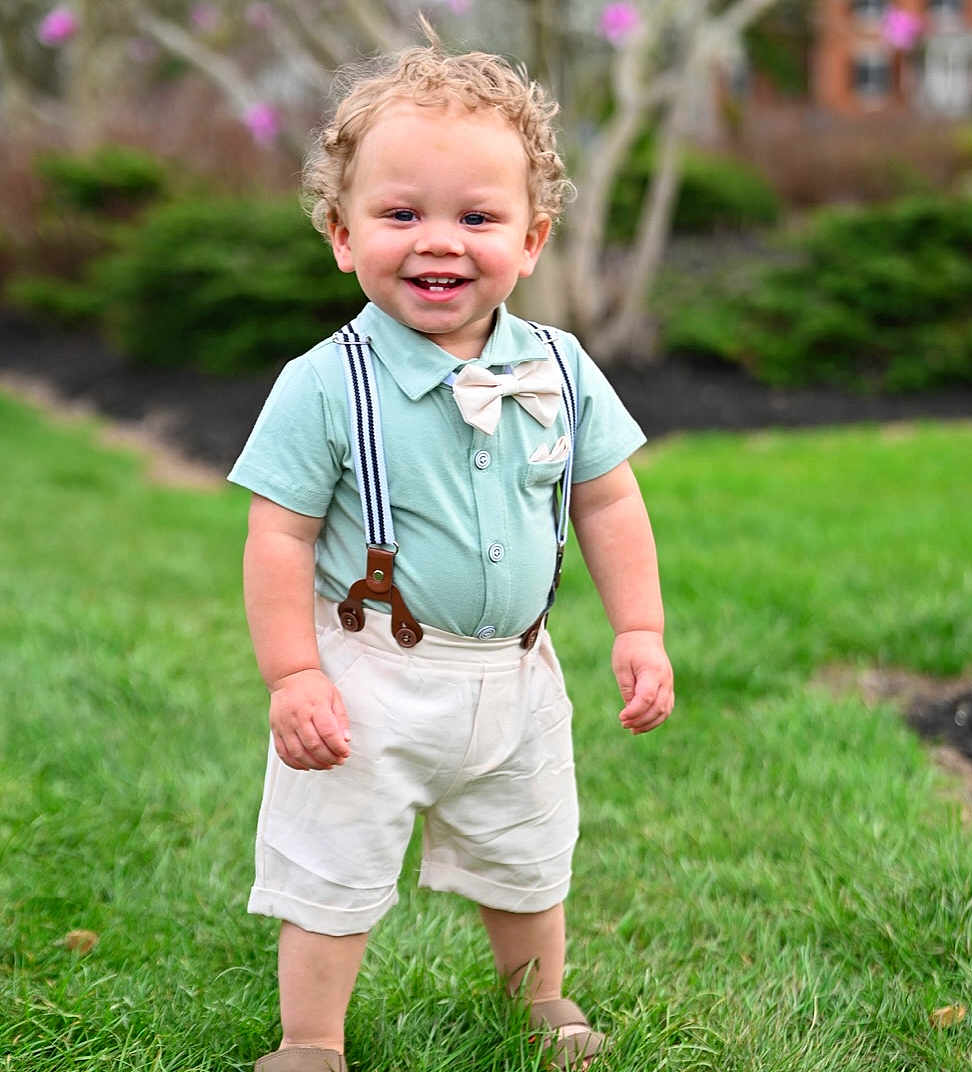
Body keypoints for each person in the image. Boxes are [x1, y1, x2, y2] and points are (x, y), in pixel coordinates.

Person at [229, 28, 674, 1072]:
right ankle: (311, 1041)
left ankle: (542, 1000)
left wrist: (639, 626)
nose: (439, 241)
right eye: (400, 214)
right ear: (342, 234)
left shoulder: (559, 367)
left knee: (529, 853)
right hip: (371, 674)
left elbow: (608, 503)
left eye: (476, 216)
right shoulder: (324, 381)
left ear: (532, 237)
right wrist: (294, 672)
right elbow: (278, 532)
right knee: (331, 862)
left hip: (516, 672)